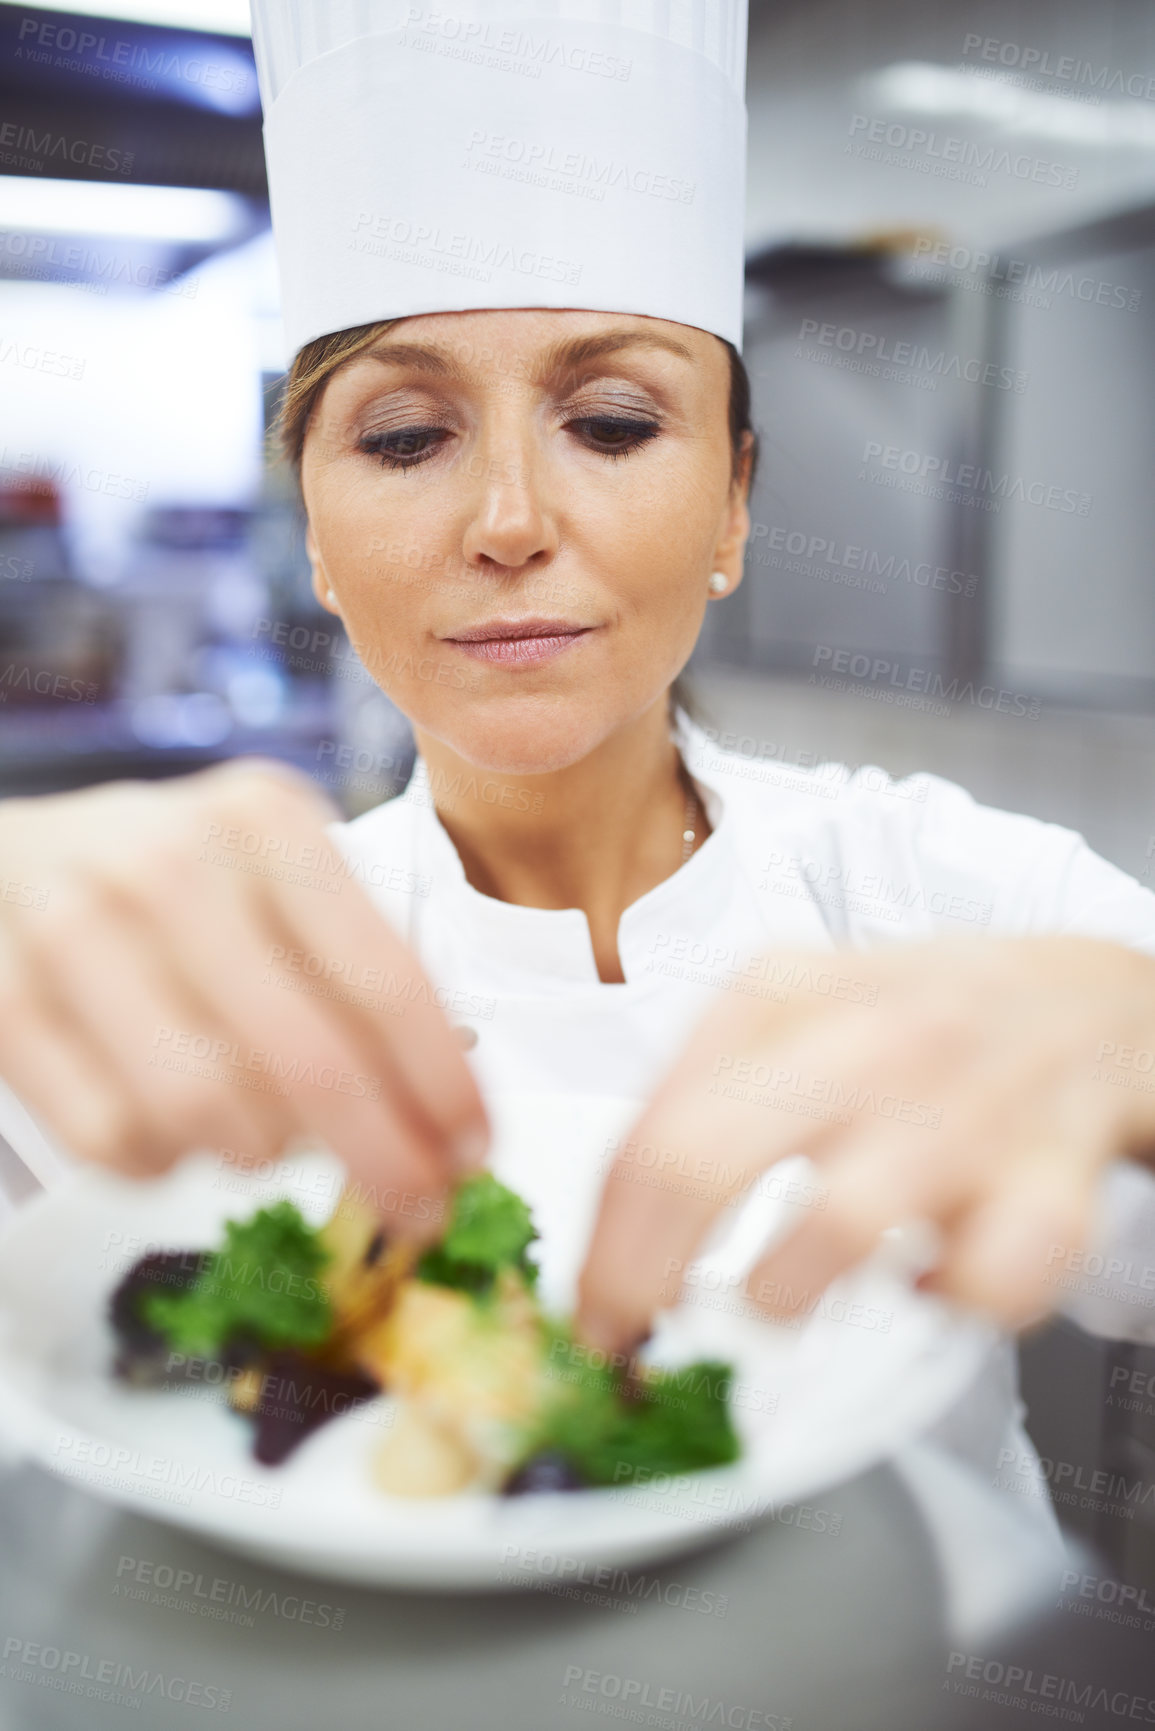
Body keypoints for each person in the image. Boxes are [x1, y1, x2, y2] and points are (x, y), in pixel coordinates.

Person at [1, 0, 1154, 1592]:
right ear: (318, 538)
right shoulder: (203, 980)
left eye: (613, 422)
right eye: (405, 437)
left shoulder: (947, 897)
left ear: (738, 500)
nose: (509, 518)